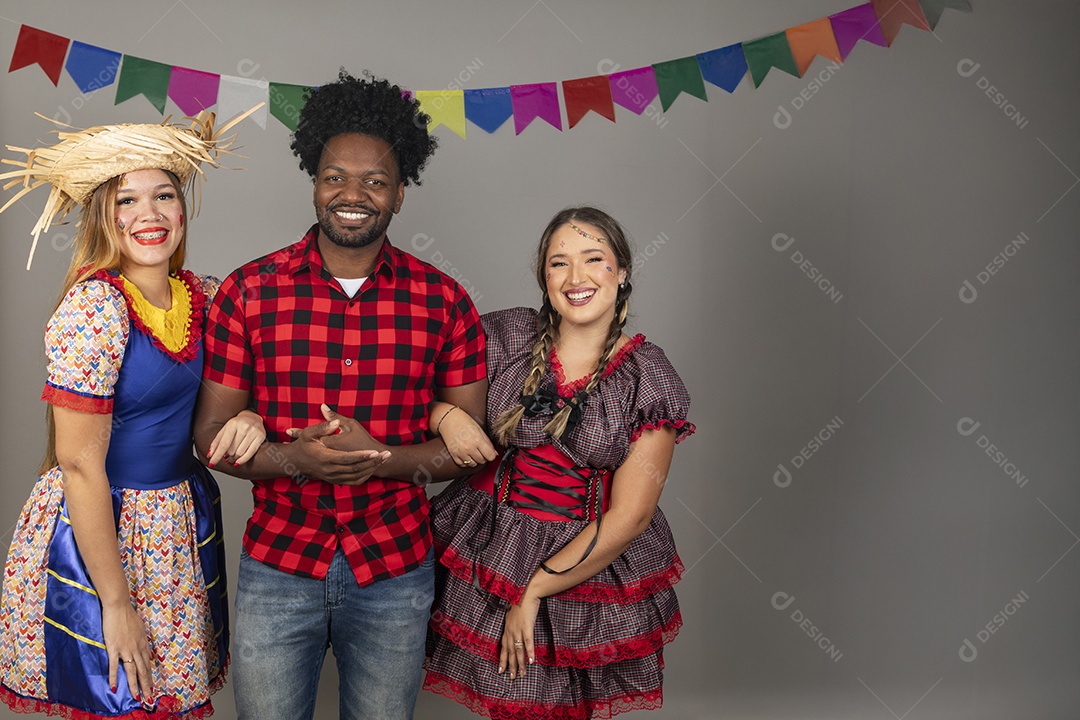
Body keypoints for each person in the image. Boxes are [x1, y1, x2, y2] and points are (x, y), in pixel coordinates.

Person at [192, 71, 488, 720]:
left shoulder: (444, 302)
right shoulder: (250, 291)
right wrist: (301, 462)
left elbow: (469, 448)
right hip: (278, 564)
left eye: (375, 181)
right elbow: (210, 439)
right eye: (335, 177)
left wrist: (379, 457)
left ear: (401, 195)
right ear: (315, 182)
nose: (352, 194)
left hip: (395, 569)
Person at [0, 110, 265, 718]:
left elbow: (244, 391)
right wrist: (114, 604)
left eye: (164, 195)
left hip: (173, 528)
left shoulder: (206, 295)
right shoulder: (95, 307)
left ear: (183, 207)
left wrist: (253, 417)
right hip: (100, 530)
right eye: (128, 200)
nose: (149, 216)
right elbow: (78, 465)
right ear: (103, 215)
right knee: (119, 696)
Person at [423, 206, 695, 719]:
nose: (576, 278)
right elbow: (409, 392)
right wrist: (445, 416)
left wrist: (533, 591)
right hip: (487, 541)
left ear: (623, 271)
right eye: (558, 263)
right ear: (543, 276)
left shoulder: (647, 376)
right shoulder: (505, 336)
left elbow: (631, 516)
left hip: (582, 564)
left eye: (594, 259)